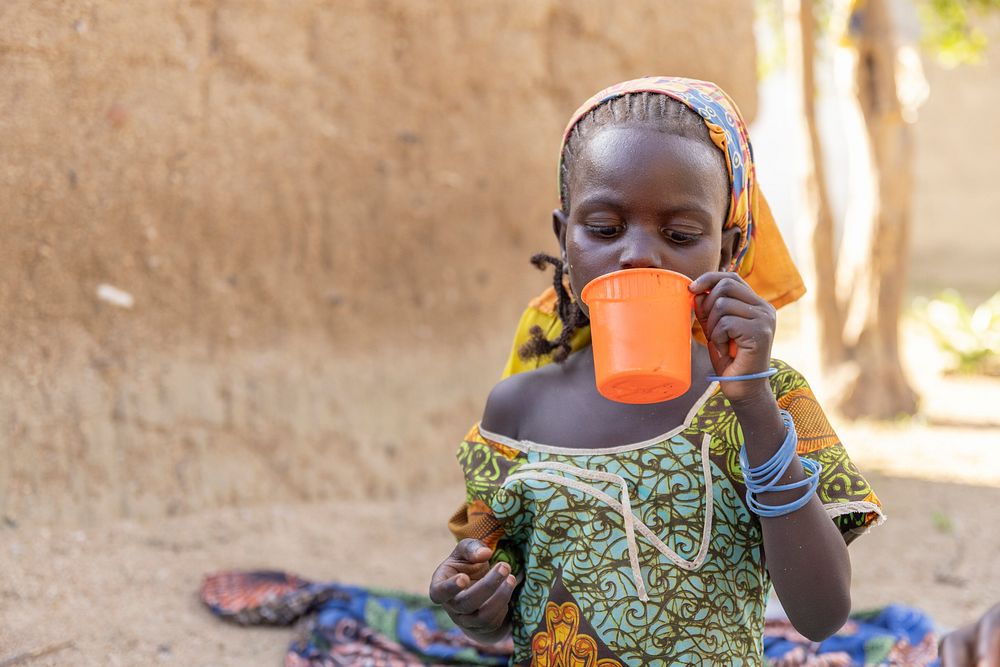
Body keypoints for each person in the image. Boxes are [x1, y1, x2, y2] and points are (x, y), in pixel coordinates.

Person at [427, 77, 884, 665]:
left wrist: (754, 408)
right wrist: (470, 600)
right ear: (564, 239)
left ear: (726, 248)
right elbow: (495, 604)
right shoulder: (515, 410)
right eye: (605, 228)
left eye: (681, 234)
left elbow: (821, 614)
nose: (639, 253)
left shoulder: (769, 398)